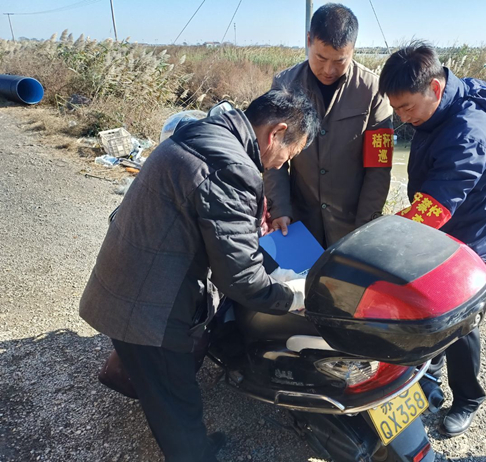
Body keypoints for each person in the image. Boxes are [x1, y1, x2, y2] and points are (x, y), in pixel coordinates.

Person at [79, 88, 320, 461]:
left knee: (168, 391)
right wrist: (293, 297)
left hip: (130, 279)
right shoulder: (231, 167)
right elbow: (240, 278)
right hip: (148, 307)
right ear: (277, 133)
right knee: (176, 403)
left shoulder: (205, 132)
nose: (280, 164)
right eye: (290, 154)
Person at [378, 42, 486, 437]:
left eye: (407, 108)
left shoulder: (469, 133)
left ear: (435, 88)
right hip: (438, 233)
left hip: (468, 240)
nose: (402, 117)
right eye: (396, 108)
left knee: (460, 324)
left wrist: (380, 236)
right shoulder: (436, 109)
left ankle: (468, 398)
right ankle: (430, 374)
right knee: (426, 313)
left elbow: (433, 210)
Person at [264, 3, 393, 248]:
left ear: (353, 49)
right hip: (299, 222)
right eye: (320, 58)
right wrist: (279, 207)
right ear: (309, 40)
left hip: (351, 224)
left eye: (339, 61)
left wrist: (366, 224)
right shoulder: (285, 85)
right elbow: (273, 155)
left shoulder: (373, 91)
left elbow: (379, 166)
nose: (328, 70)